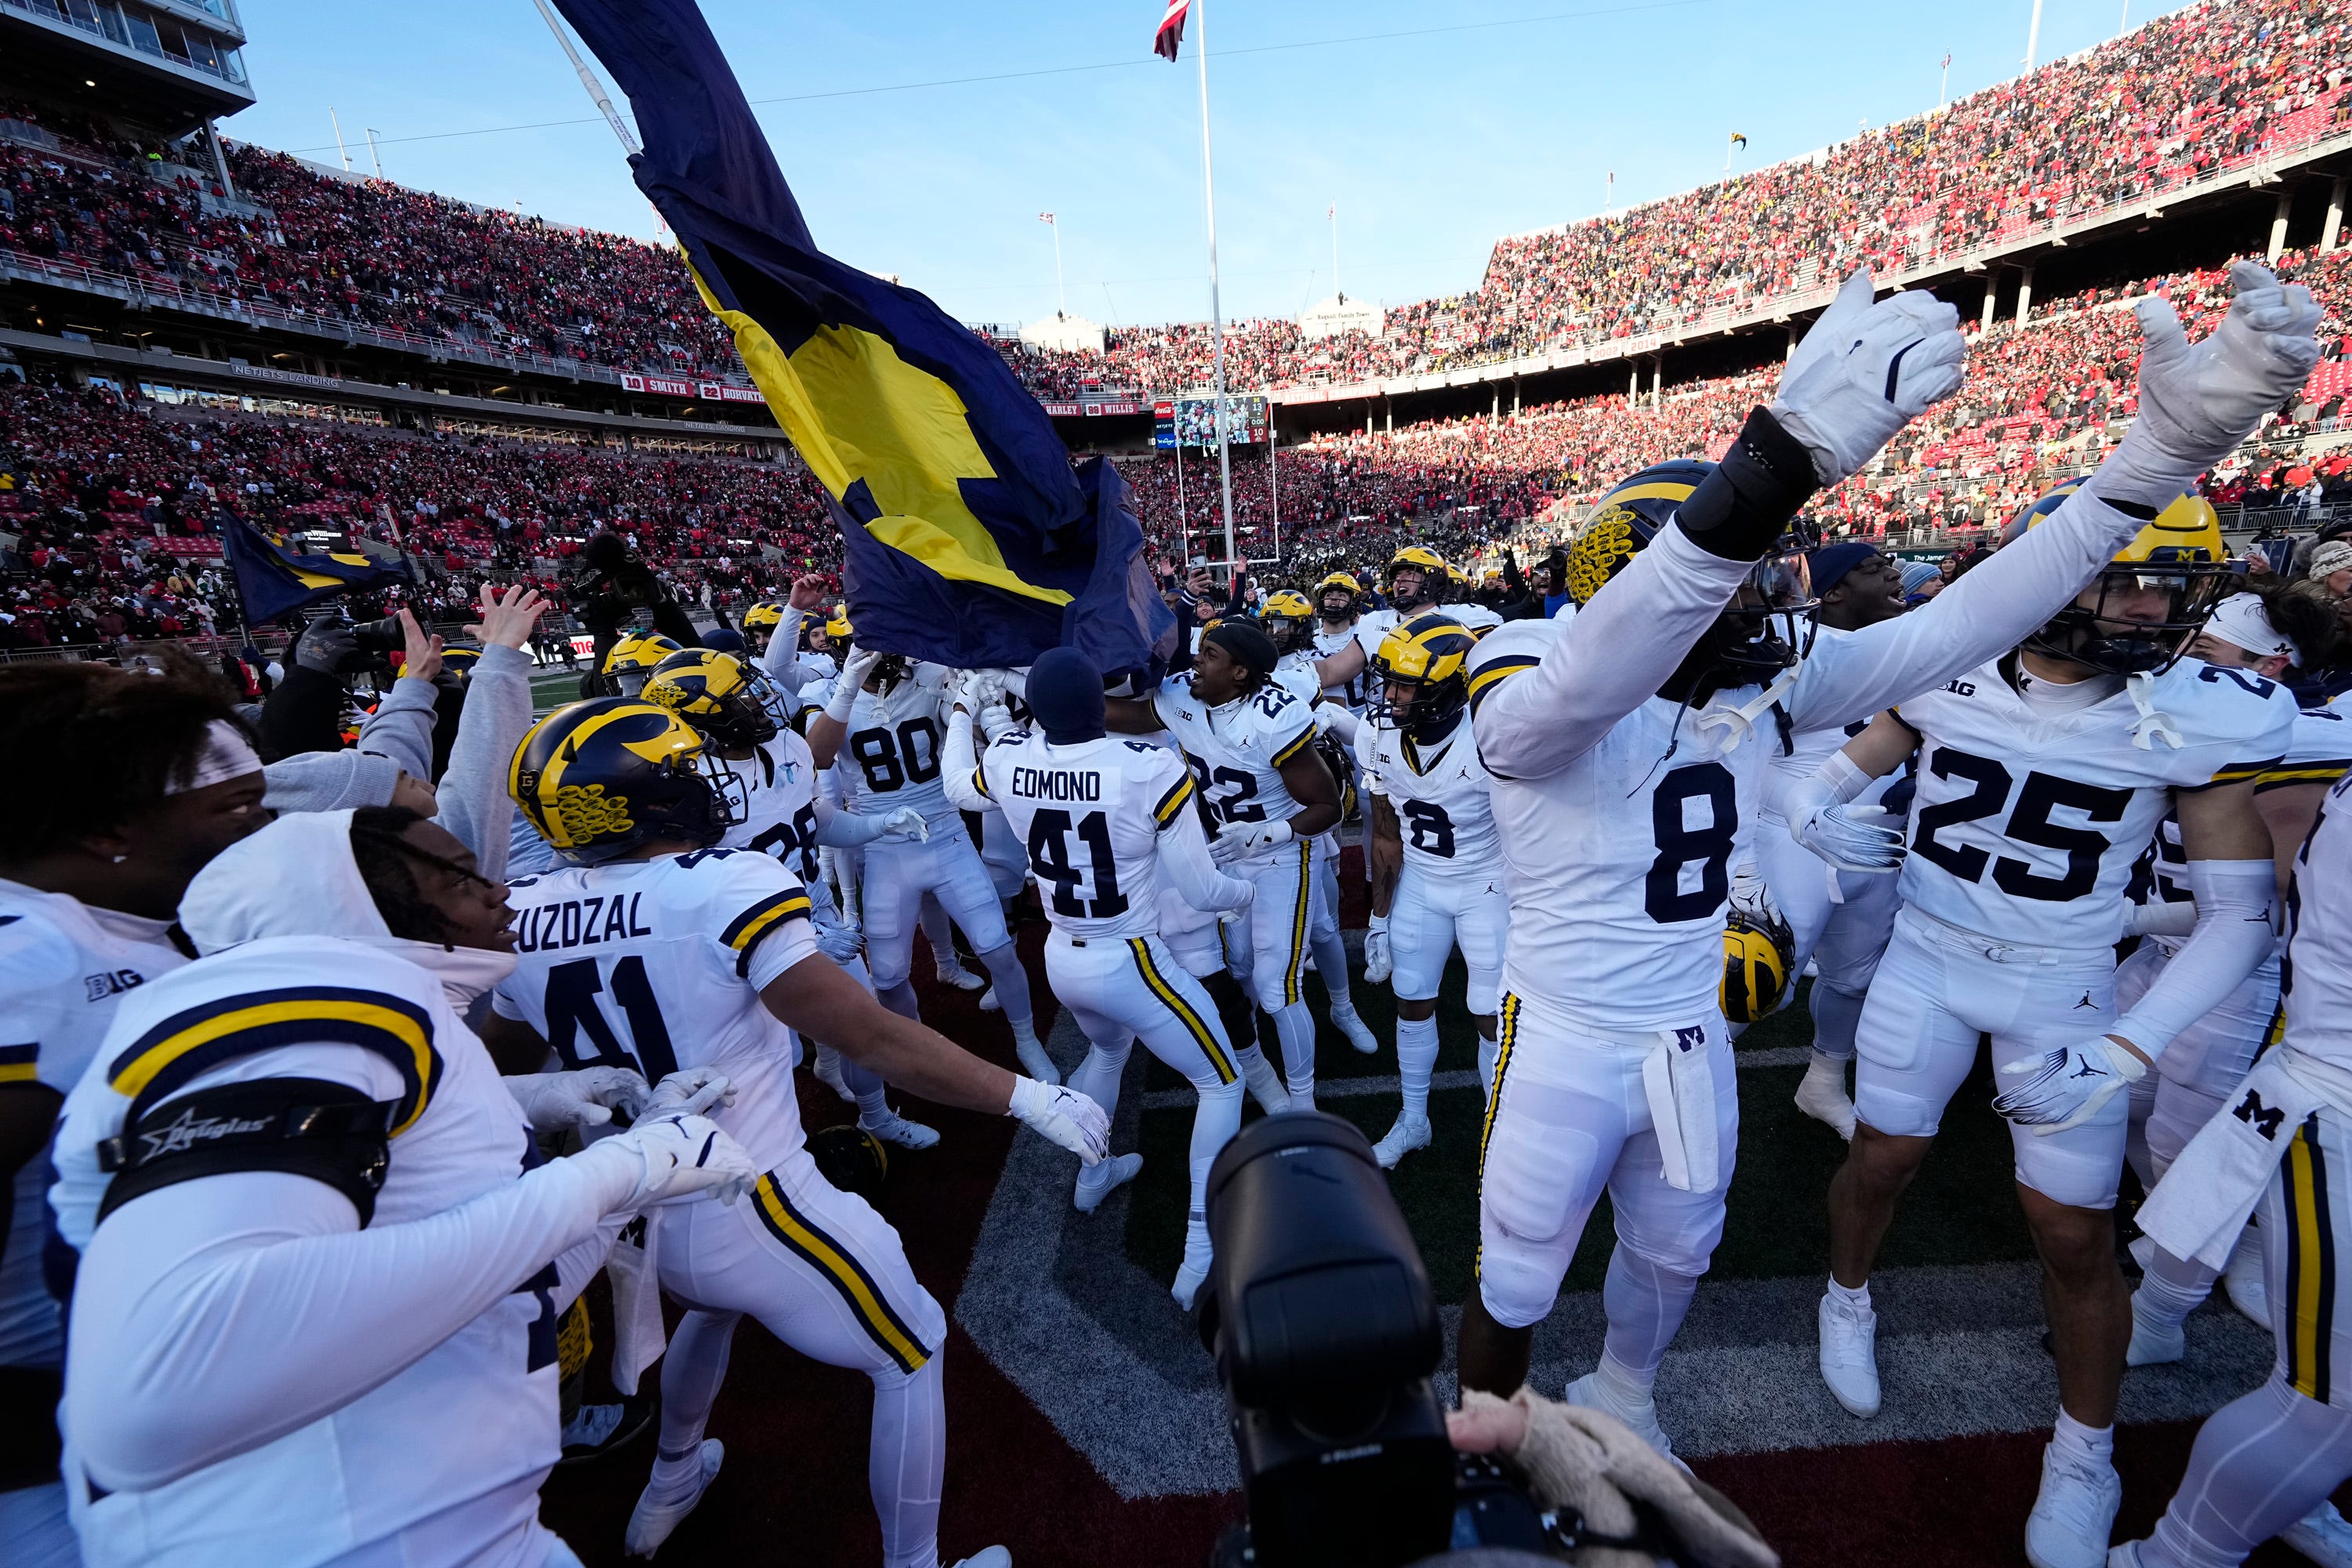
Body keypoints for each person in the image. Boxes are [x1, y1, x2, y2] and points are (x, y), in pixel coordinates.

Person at [1453, 263, 2316, 1512]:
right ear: (1629, 578)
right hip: (1565, 1034)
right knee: (1517, 1279)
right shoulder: (1535, 699)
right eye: (1740, 578)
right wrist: (1771, 464)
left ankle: (1624, 1398)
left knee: (1681, 1248)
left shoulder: (1763, 686)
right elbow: (1604, 670)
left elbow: (1960, 627)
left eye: (1765, 576)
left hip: (1687, 1028)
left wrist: (2150, 463)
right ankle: (1482, 1458)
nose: (1766, 600)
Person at [1798, 493, 2315, 1562]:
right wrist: (1815, 822)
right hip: (1926, 965)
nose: (2143, 608)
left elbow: (2240, 918)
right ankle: (1845, 1300)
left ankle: (2084, 1451)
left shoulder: (2199, 711)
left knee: (2075, 1231)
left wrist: (2129, 1041)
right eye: (2121, 577)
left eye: (2168, 589)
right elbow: (1831, 774)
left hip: (2066, 984)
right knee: (1885, 1157)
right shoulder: (1949, 664)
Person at [46, 805, 760, 1568]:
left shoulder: (353, 1003)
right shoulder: (303, 1006)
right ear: (355, 903)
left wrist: (615, 1160)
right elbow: (159, 1382)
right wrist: (626, 1167)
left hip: (420, 1505)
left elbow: (488, 1286)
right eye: (458, 874)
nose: (497, 890)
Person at [492, 696, 1105, 1564]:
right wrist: (1027, 1098)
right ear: (646, 800)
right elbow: (871, 1035)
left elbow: (493, 1061)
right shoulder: (723, 885)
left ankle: (669, 1481)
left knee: (708, 1312)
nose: (700, 780)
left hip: (633, 1207)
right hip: (754, 1190)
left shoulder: (523, 910)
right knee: (914, 1344)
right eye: (680, 769)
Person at [0, 662, 269, 1568]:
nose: (262, 827)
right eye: (232, 810)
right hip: (63, 1455)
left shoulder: (122, 922)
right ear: (112, 827)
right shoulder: (34, 960)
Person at [2116, 610, 2352, 1568]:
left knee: (2184, 1139)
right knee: (2154, 1127)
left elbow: (2266, 903)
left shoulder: (2308, 730)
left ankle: (2164, 1312)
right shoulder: (2297, 730)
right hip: (2262, 1010)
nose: (2187, 663)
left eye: (2212, 652)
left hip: (2241, 971)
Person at [940, 648, 1255, 1306]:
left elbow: (955, 786)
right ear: (1099, 702)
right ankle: (1200, 1241)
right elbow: (1200, 892)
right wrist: (1244, 895)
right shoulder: (1146, 768)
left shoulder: (1010, 759)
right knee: (1222, 1081)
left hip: (1062, 956)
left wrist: (966, 709)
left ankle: (1094, 1172)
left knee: (1109, 1049)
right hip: (1130, 957)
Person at [640, 647, 939, 1149]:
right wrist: (809, 935)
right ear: (702, 718)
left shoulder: (783, 747)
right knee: (752, 1054)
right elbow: (692, 891)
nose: (760, 702)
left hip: (808, 903)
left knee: (857, 1017)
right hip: (735, 935)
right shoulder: (688, 787)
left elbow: (812, 822)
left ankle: (874, 1115)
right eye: (741, 699)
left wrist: (877, 825)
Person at [1103, 620, 1344, 1109]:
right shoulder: (1183, 698)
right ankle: (1250, 1057)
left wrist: (1269, 832)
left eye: (1209, 654)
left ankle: (1303, 1102)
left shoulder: (1273, 716)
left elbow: (1328, 806)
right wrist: (1033, 684)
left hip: (1278, 854)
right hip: (1224, 853)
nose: (1196, 660)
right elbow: (1121, 715)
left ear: (1239, 672)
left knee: (1278, 989)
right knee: (1240, 967)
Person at [808, 645, 1058, 1084]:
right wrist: (847, 690)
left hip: (945, 831)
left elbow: (973, 732)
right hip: (883, 845)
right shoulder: (832, 693)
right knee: (886, 975)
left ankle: (1026, 1039)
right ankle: (919, 1048)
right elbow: (818, 756)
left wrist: (971, 698)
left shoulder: (931, 677)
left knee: (997, 946)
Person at [1754, 542, 1911, 1138]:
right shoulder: (1783, 647)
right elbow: (1740, 755)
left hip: (1877, 842)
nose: (1894, 573)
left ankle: (1822, 1081)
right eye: (1874, 568)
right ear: (1836, 590)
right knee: (1759, 980)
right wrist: (1793, 805)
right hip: (1792, 841)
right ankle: (1683, 1089)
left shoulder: (1907, 642)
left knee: (1854, 975)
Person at [1356, 612, 1507, 1167]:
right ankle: (1414, 1118)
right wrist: (1378, 915)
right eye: (1388, 682)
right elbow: (1387, 834)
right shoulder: (1377, 736)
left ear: (1447, 690)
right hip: (1422, 880)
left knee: (1490, 1011)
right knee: (1412, 997)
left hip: (1487, 883)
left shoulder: (1491, 734)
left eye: (1405, 686)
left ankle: (1499, 1126)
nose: (1390, 697)